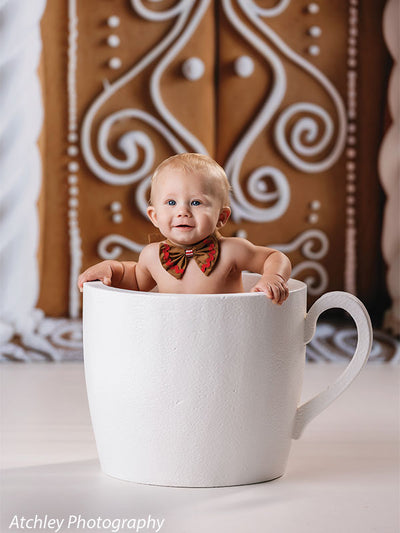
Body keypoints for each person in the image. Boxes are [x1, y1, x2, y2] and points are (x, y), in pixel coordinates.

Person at [78, 153, 291, 304]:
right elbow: (134, 280)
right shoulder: (152, 256)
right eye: (171, 203)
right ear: (154, 216)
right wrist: (112, 270)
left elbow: (274, 257)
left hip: (227, 337)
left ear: (221, 217)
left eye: (196, 203)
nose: (183, 212)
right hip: (175, 340)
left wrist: (273, 277)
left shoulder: (232, 251)